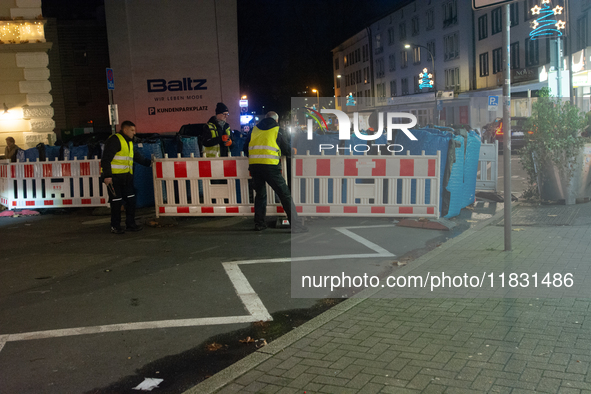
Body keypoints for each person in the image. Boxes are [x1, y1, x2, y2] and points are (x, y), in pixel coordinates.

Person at [246, 111, 308, 233]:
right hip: (270, 166)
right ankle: (296, 226)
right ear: (276, 120)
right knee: (284, 194)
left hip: (255, 167)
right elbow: (285, 148)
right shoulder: (278, 129)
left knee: (260, 195)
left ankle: (259, 224)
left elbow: (245, 148)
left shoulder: (254, 130)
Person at [101, 121, 151, 234]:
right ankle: (115, 226)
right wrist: (107, 176)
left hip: (126, 177)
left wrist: (150, 163)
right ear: (125, 130)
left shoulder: (128, 142)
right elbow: (106, 159)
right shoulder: (115, 140)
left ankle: (130, 224)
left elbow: (136, 157)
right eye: (132, 130)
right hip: (114, 178)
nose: (135, 133)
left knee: (131, 200)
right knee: (116, 202)